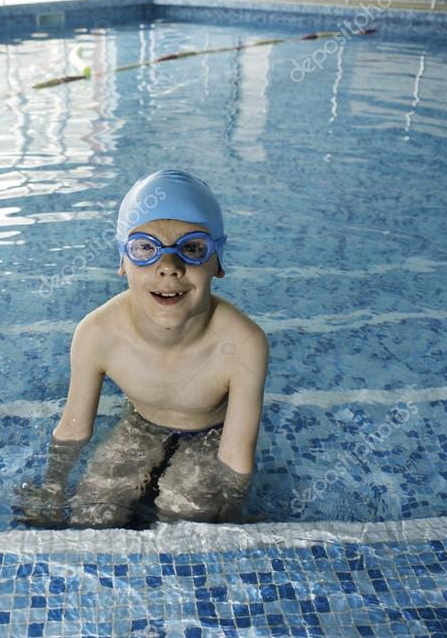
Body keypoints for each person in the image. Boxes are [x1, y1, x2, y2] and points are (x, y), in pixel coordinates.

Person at [17, 169, 269, 528]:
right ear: (122, 261)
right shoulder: (98, 333)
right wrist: (53, 491)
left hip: (209, 435)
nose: (168, 267)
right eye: (145, 249)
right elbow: (73, 428)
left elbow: (235, 455)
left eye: (193, 248)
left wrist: (230, 516)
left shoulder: (244, 343)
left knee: (185, 515)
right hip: (141, 425)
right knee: (92, 512)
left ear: (219, 262)